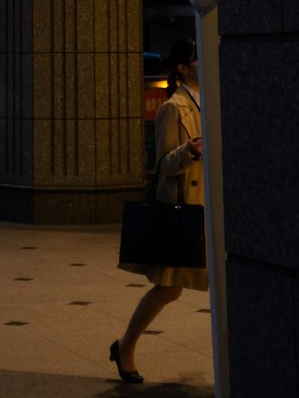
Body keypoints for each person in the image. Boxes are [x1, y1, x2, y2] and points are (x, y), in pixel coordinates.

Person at [110, 37, 208, 384]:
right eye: (196, 57)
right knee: (168, 288)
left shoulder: (213, 98)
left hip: (211, 207)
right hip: (185, 210)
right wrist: (190, 152)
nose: (203, 60)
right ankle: (125, 346)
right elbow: (164, 165)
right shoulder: (173, 107)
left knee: (224, 284)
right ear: (182, 68)